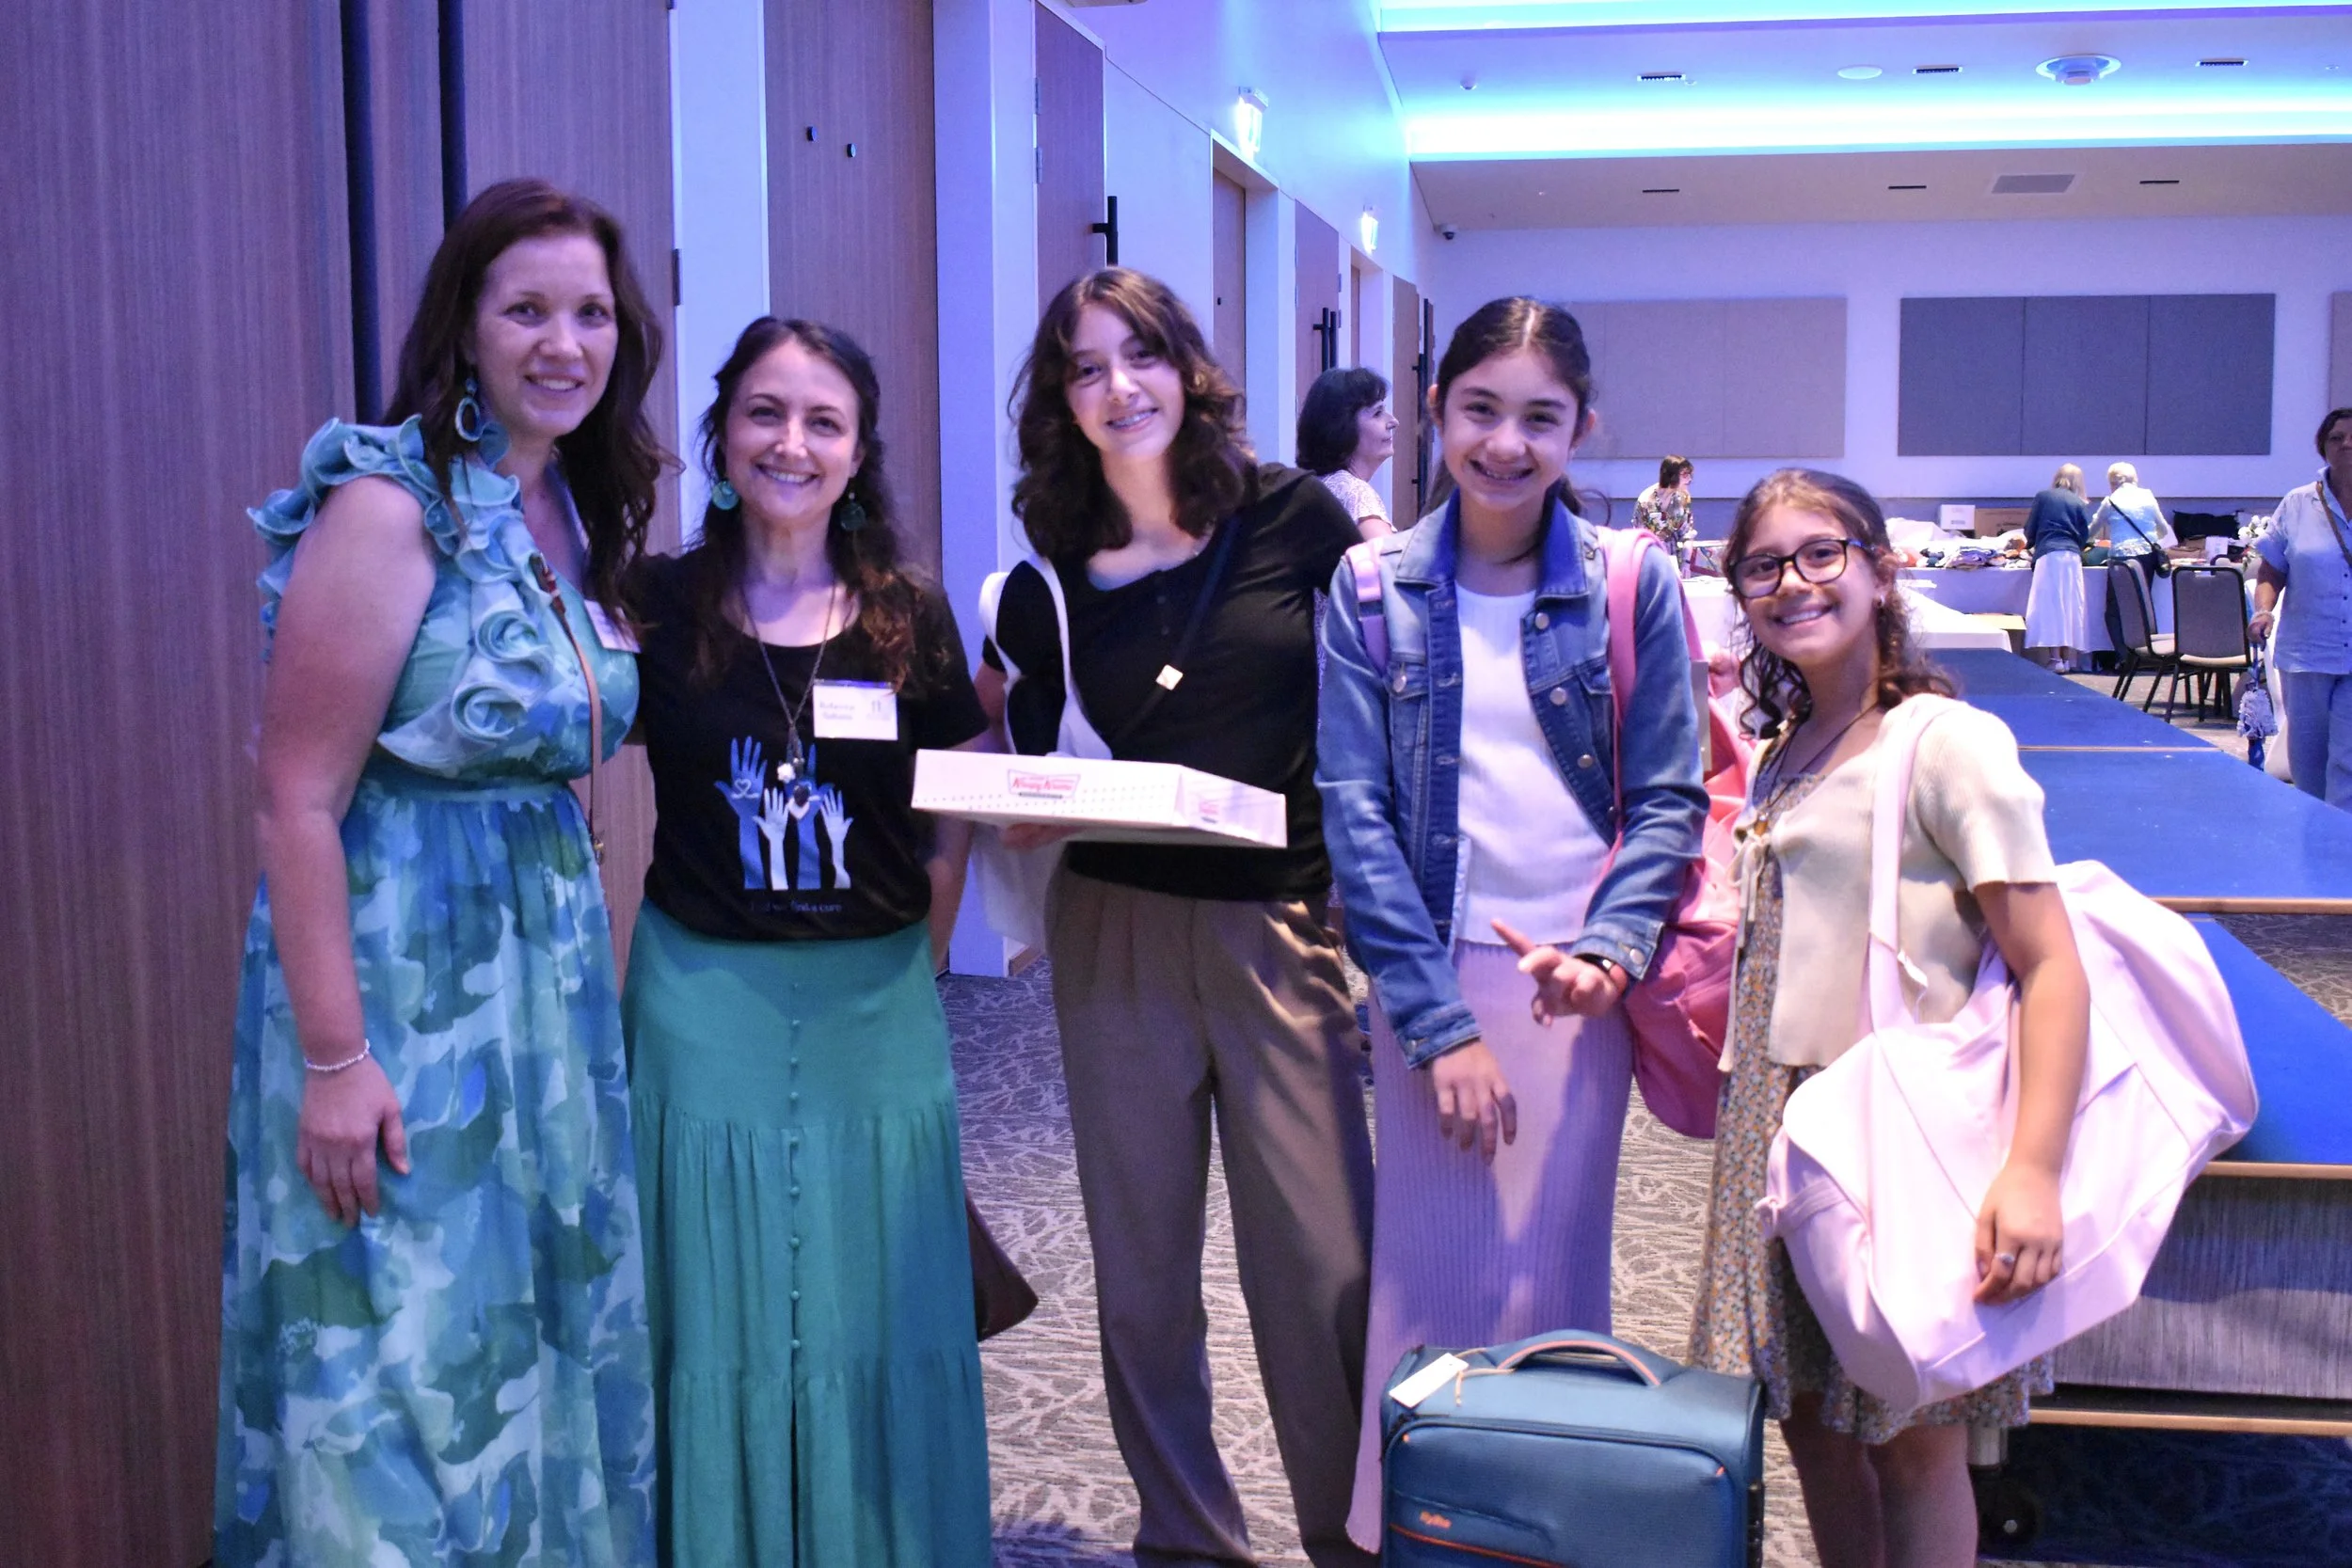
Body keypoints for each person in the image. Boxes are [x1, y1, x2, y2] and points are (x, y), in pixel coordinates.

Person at [216, 179, 661, 1565]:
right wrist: (337, 1062)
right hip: (405, 984)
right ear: (464, 325)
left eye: (590, 312)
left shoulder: (569, 509)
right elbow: (295, 795)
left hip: (544, 993)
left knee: (530, 1333)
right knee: (400, 1358)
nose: (563, 342)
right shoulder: (388, 503)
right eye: (526, 308)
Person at [977, 268, 1376, 1568]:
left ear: (1187, 368)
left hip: (1278, 926)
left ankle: (1344, 1531)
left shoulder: (1297, 519)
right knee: (1142, 1267)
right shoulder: (1049, 562)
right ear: (1061, 398)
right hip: (1116, 929)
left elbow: (1389, 702)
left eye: (1138, 355)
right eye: (1084, 367)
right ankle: (1187, 1537)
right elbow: (1011, 731)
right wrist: (1017, 797)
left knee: (1321, 1268)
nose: (1116, 388)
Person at [1317, 297, 1708, 1551]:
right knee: (1424, 1289)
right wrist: (1433, 1023)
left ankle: (1534, 1530)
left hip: (1573, 995)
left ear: (1582, 429)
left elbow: (1666, 801)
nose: (1505, 442)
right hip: (1428, 982)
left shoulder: (1633, 582)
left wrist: (1608, 952)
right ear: (1435, 412)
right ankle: (1427, 1536)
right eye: (1480, 407)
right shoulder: (1369, 585)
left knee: (1548, 1288)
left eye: (1540, 417)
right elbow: (1356, 813)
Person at [624, 317, 993, 1564]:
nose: (793, 441)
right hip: (700, 995)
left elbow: (957, 797)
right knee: (716, 1297)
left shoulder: (908, 618)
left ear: (857, 450)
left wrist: (928, 951)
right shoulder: (656, 605)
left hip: (875, 1005)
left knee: (872, 1294)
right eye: (766, 413)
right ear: (723, 436)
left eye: (823, 420)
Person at [1690, 467, 2090, 1568]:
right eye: (1763, 564)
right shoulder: (1782, 749)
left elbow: (2050, 967)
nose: (1793, 582)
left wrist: (2032, 1170)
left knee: (1914, 1437)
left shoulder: (1941, 742)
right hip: (1781, 1125)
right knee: (1813, 1418)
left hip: (1895, 1131)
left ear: (1878, 566)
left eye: (1821, 553)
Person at [2252, 407, 2352, 809]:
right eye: (2337, 438)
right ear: (2323, 447)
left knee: (2347, 764)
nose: (2347, 445)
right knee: (2308, 765)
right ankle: (2313, 844)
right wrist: (2263, 610)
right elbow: (2271, 570)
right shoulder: (2297, 504)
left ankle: (2341, 849)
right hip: (2307, 653)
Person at [1297, 365, 1399, 538]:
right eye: (1377, 413)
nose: (1394, 422)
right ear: (1342, 427)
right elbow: (1389, 563)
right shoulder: (1356, 493)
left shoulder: (1315, 487)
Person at [2092, 461, 2175, 652]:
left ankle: (2123, 656)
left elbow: (2093, 530)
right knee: (2142, 603)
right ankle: (2147, 651)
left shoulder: (2110, 501)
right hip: (2147, 556)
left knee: (2115, 609)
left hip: (2120, 557)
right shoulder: (2147, 496)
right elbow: (2163, 529)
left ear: (2112, 481)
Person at [2023, 463, 2093, 673]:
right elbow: (2084, 535)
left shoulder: (2043, 497)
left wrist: (2030, 545)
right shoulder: (2080, 503)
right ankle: (2068, 658)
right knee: (2070, 605)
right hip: (2072, 557)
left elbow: (2031, 528)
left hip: (2049, 554)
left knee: (2051, 606)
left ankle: (2054, 658)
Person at [1634, 454, 1696, 552]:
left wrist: (1686, 563)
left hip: (1674, 560)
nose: (1689, 479)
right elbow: (1639, 536)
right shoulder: (1646, 501)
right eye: (1685, 475)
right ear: (1672, 475)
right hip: (1650, 558)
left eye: (1690, 475)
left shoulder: (1683, 498)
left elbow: (1687, 534)